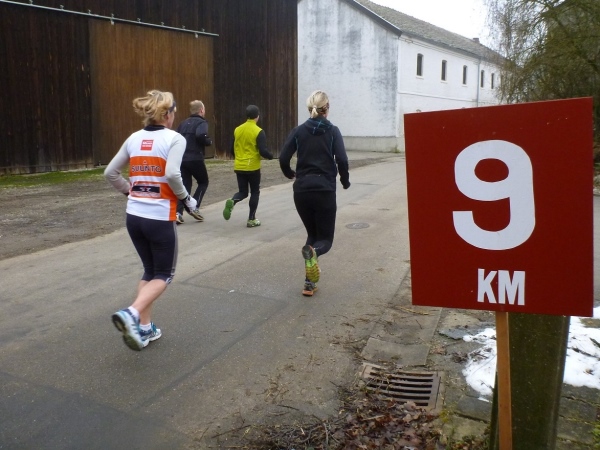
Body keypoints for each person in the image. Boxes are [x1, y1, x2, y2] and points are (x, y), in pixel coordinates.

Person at [104, 89, 197, 351]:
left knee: (149, 270)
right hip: (158, 217)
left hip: (134, 216)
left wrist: (129, 191)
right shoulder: (175, 138)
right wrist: (187, 200)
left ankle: (144, 329)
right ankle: (131, 314)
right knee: (164, 274)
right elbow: (173, 174)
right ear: (167, 114)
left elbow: (110, 172)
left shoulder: (134, 138)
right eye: (174, 111)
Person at [279, 90, 350, 297]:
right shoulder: (333, 131)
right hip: (324, 190)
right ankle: (315, 253)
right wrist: (344, 181)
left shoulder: (298, 131)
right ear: (327, 108)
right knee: (324, 240)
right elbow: (342, 160)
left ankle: (309, 284)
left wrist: (289, 173)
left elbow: (283, 157)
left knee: (312, 234)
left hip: (302, 191)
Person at [222, 105, 273, 227]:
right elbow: (263, 151)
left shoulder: (237, 129)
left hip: (239, 165)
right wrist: (271, 156)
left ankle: (233, 201)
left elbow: (232, 149)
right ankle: (251, 219)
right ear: (257, 116)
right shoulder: (258, 131)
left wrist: (239, 158)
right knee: (255, 192)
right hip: (252, 167)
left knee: (243, 192)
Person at [175, 100, 212, 224]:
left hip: (182, 158)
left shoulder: (183, 123)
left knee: (184, 185)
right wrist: (208, 141)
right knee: (203, 181)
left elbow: (176, 138)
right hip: (195, 157)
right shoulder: (202, 122)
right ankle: (194, 207)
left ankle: (178, 213)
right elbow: (201, 135)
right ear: (201, 110)